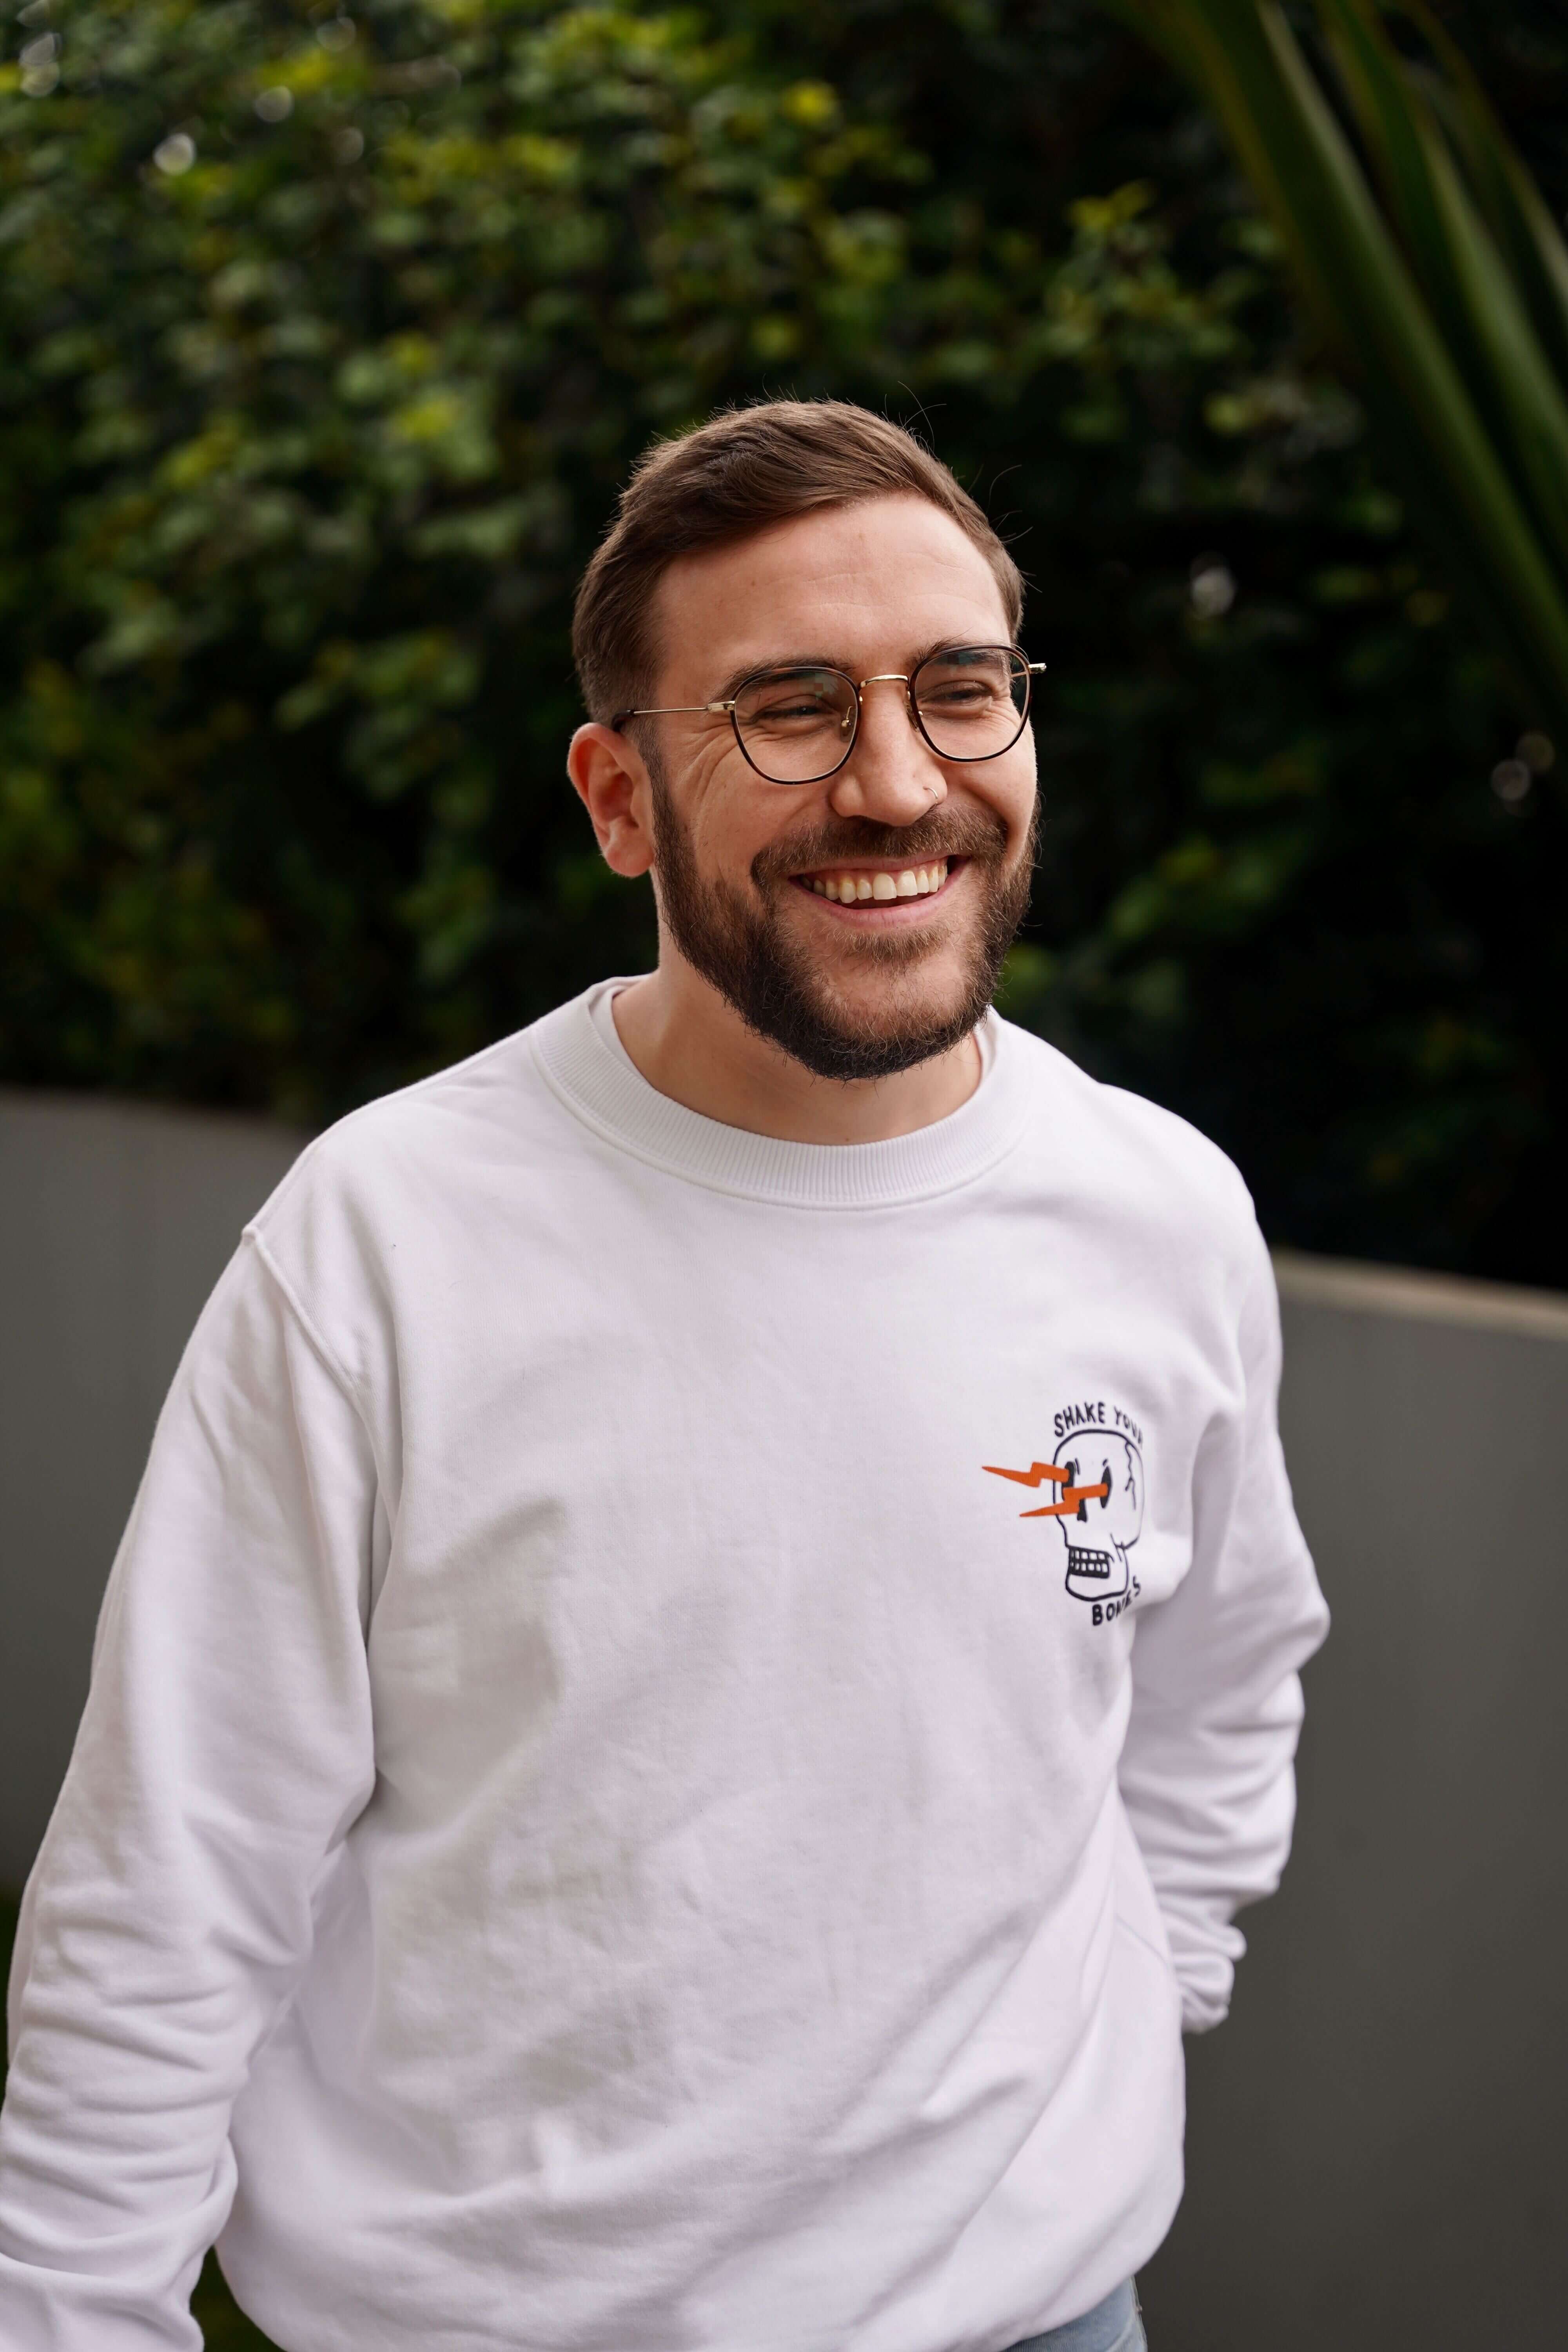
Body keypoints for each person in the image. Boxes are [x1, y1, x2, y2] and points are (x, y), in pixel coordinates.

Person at [0, 399, 1328, 2352]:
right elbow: (172, 1883)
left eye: (961, 690)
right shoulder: (384, 1238)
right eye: (788, 710)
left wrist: (1146, 1981)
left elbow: (1221, 1682)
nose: (898, 784)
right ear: (618, 800)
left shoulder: (1159, 1213)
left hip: (1045, 2315)